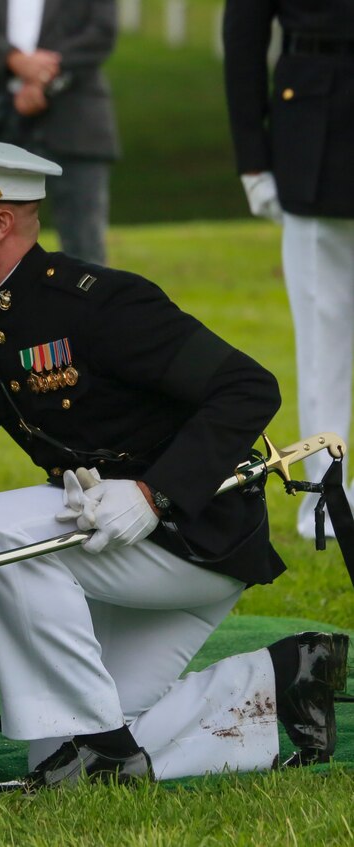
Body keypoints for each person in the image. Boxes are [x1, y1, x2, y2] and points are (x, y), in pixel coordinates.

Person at [0, 133, 349, 790]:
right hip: (116, 549)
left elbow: (249, 388)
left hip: (194, 539)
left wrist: (153, 493)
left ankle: (99, 744)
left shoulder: (101, 304)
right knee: (63, 749)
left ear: (0, 221)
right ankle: (281, 677)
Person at [223, 1, 354, 540]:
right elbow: (245, 37)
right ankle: (329, 503)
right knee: (323, 341)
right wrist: (252, 157)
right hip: (317, 128)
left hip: (314, 124)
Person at [0, 0, 119, 265]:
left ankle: (83, 307)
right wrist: (13, 60)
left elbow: (101, 32)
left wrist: (43, 76)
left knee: (85, 248)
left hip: (75, 119)